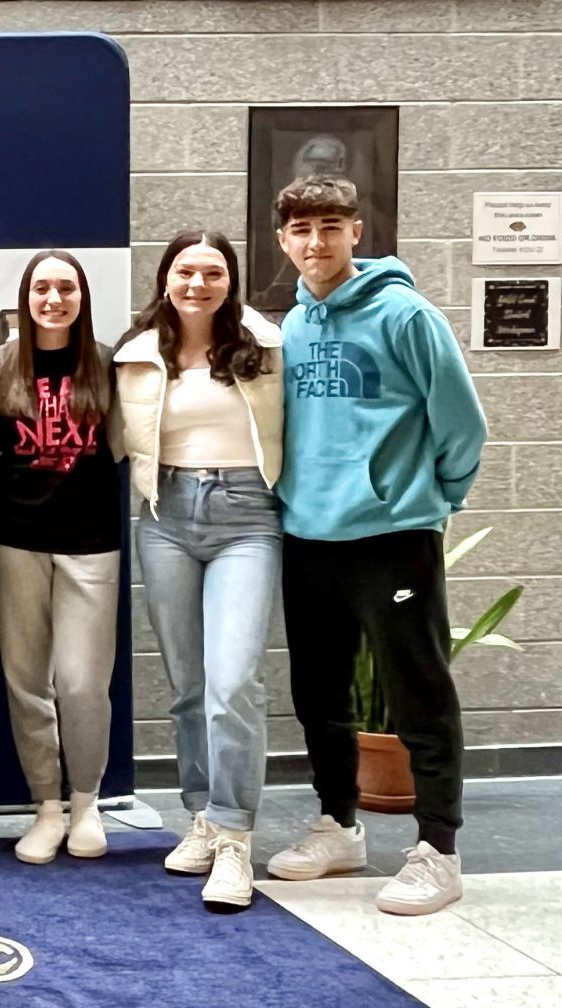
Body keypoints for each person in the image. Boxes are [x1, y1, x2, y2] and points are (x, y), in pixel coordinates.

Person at [260, 176, 487, 916]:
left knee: (418, 688)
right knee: (319, 694)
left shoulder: (405, 314)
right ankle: (338, 824)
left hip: (393, 537)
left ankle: (439, 848)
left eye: (331, 226)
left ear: (356, 231)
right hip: (309, 536)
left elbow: (462, 423)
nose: (316, 242)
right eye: (302, 230)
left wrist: (429, 501)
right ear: (283, 241)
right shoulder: (290, 328)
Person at [113, 230, 285, 911]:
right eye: (186, 271)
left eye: (213, 272)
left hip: (247, 513)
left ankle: (237, 839)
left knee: (234, 680)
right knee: (188, 684)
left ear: (230, 281)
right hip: (166, 517)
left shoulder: (265, 346)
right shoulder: (135, 353)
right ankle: (204, 819)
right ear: (166, 278)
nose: (198, 284)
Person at [0, 249, 123, 865]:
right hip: (16, 542)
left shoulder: (110, 366)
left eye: (66, 288)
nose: (54, 299)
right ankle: (46, 805)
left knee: (84, 683)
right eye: (42, 288)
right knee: (26, 682)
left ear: (82, 298)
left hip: (93, 545)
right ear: (25, 298)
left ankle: (86, 801)